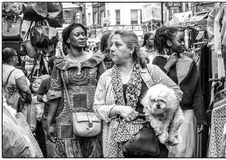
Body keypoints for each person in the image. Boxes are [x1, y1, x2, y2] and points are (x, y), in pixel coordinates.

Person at [93, 30, 183, 158]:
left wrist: (159, 110)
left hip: (152, 140)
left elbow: (177, 94)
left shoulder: (151, 71)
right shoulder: (106, 77)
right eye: (111, 45)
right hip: (117, 142)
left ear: (131, 49)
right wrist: (118, 109)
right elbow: (97, 107)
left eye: (117, 45)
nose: (112, 49)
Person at [46, 23, 105, 158]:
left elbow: (105, 88)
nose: (82, 37)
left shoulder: (96, 60)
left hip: (92, 115)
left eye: (83, 34)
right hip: (66, 117)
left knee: (93, 151)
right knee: (68, 152)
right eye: (77, 35)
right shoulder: (60, 64)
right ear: (68, 39)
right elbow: (54, 93)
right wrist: (49, 122)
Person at [152, 26, 207, 157]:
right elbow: (154, 88)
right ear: (169, 43)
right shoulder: (158, 61)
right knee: (166, 152)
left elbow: (197, 92)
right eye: (180, 40)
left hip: (186, 113)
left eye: (184, 40)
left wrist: (201, 119)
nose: (183, 43)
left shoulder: (190, 62)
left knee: (183, 151)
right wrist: (167, 65)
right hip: (164, 115)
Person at [37, 56, 57, 158]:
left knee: (50, 141)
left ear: (49, 68)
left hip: (49, 117)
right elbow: (39, 97)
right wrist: (44, 98)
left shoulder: (47, 81)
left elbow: (39, 97)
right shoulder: (47, 82)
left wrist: (44, 99)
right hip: (61, 117)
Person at [2, 47, 32, 112]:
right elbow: (26, 90)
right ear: (13, 58)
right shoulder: (16, 72)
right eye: (16, 55)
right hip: (11, 107)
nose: (18, 57)